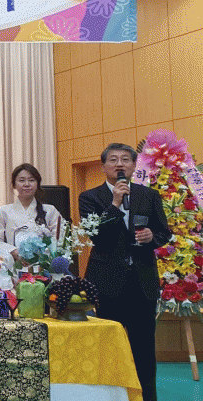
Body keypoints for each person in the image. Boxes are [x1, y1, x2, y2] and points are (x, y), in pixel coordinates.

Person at [79, 143, 171, 401]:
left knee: (144, 348)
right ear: (103, 166)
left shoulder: (149, 195)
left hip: (142, 282)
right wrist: (115, 203)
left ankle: (147, 397)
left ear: (133, 165)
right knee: (108, 347)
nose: (119, 164)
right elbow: (97, 236)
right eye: (113, 160)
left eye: (125, 159)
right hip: (107, 283)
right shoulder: (90, 197)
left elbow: (164, 232)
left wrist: (152, 237)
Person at [0, 163, 62, 260]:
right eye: (22, 180)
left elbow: (60, 237)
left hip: (43, 263)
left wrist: (44, 255)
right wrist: (13, 251)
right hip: (13, 263)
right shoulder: (3, 211)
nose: (27, 184)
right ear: (14, 184)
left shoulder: (50, 210)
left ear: (37, 184)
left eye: (31, 180)